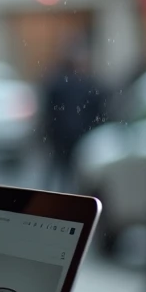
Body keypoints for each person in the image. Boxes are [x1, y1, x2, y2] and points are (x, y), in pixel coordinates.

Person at [41, 43, 106, 192]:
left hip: (63, 136)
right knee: (71, 172)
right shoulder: (88, 84)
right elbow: (97, 111)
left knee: (58, 171)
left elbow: (50, 111)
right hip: (76, 135)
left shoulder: (58, 83)